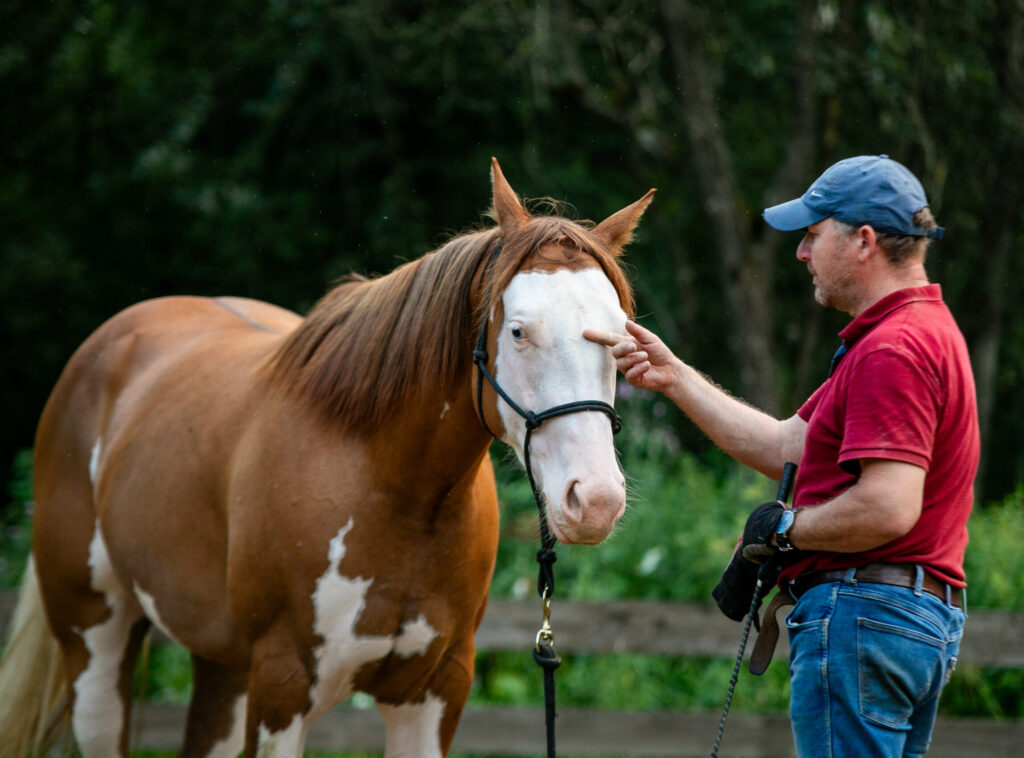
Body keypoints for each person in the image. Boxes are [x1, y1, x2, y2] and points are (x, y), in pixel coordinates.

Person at [585, 155, 978, 758]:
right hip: (904, 618)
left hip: (863, 613)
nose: (801, 252)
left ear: (864, 241)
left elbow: (888, 508)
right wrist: (673, 376)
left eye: (813, 235)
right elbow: (783, 446)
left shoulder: (892, 350)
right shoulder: (912, 333)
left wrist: (786, 531)